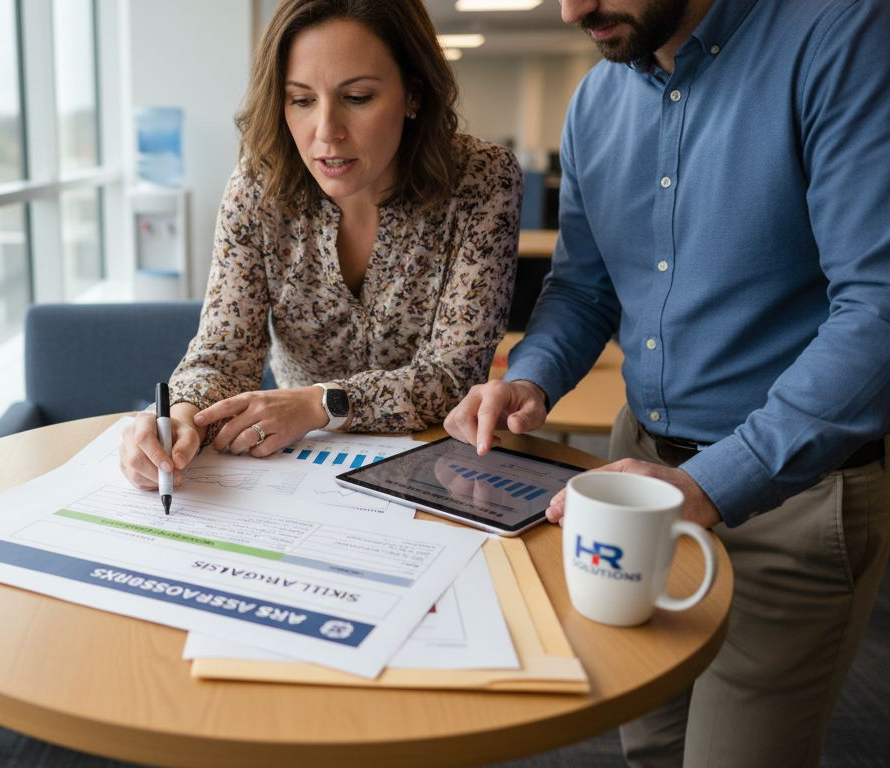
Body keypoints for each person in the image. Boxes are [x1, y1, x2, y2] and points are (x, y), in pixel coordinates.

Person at [444, 0, 890, 764]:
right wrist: (532, 378)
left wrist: (717, 482)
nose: (571, 9)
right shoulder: (597, 97)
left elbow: (878, 307)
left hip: (793, 494)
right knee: (649, 745)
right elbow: (584, 289)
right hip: (635, 474)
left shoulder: (841, 36)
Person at [119, 0, 522, 490]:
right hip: (302, 466)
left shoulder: (481, 180)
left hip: (435, 463)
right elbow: (224, 352)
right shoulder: (257, 189)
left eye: (357, 97)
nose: (326, 131)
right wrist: (181, 414)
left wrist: (319, 403)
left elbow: (452, 376)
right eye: (302, 100)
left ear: (412, 94)